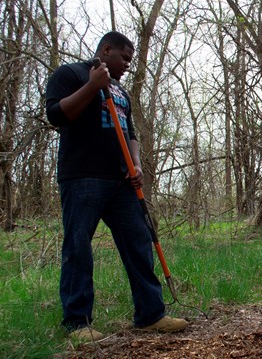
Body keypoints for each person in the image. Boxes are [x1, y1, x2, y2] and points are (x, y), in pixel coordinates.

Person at [45, 31, 188, 341]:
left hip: (122, 182)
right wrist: (93, 86)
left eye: (130, 60)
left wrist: (135, 165)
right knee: (78, 247)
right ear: (106, 50)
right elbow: (56, 115)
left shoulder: (121, 90)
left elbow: (130, 132)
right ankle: (77, 324)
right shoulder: (70, 74)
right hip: (83, 176)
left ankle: (151, 315)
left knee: (139, 241)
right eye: (124, 58)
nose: (127, 65)